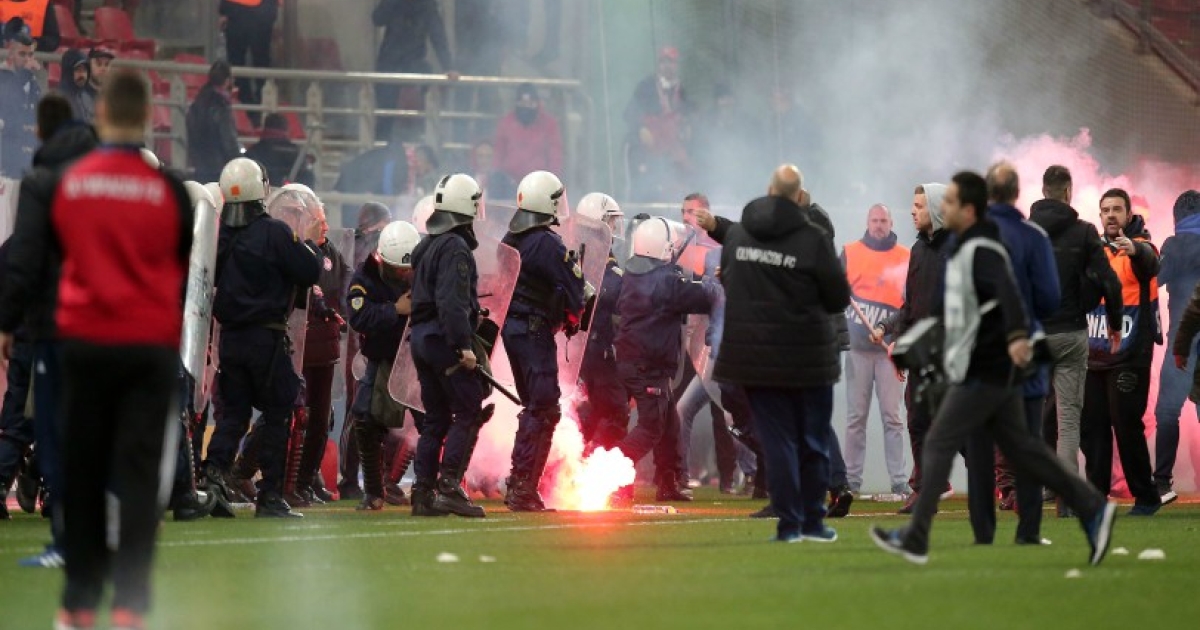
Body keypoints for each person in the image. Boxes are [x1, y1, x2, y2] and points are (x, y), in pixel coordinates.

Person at [870, 170, 1116, 567]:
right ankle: (1092, 508)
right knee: (1025, 449)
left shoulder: (981, 247)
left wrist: (1015, 337)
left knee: (940, 440)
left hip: (987, 367)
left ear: (967, 208)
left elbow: (1008, 295)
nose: (944, 207)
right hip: (985, 366)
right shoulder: (967, 245)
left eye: (951, 201)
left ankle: (916, 535)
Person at [32, 67, 191, 630]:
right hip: (147, 347)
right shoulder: (171, 192)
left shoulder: (70, 183)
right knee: (140, 477)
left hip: (85, 344)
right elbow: (177, 259)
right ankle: (130, 605)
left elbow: (58, 257)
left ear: (99, 113)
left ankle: (79, 602)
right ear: (148, 117)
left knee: (82, 469)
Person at [704, 165, 849, 542]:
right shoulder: (814, 239)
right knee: (813, 438)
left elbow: (728, 277)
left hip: (758, 358)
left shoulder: (741, 235)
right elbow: (838, 297)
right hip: (807, 354)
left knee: (779, 441)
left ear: (770, 191)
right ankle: (814, 521)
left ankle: (788, 523)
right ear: (800, 196)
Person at [0, 92, 97, 567]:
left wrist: (7, 322)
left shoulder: (40, 184)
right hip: (96, 326)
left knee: (33, 424)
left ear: (39, 130)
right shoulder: (99, 184)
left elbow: (22, 260)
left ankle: (62, 533)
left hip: (48, 329)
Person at [201, 157, 321, 519]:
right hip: (266, 339)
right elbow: (309, 270)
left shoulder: (219, 237)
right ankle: (269, 495)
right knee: (277, 414)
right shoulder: (275, 233)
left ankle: (213, 480)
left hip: (230, 340)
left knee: (233, 415)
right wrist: (309, 243)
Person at [964, 162, 1059, 546]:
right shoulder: (1034, 237)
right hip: (1024, 355)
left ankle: (983, 531)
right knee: (1027, 443)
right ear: (1018, 193)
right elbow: (1050, 298)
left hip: (979, 356)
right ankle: (1029, 529)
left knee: (979, 445)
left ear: (987, 194)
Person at [1029, 165, 1123, 517]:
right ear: (1068, 192)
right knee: (1068, 420)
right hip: (1070, 332)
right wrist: (1114, 323)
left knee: (1034, 414)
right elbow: (1109, 281)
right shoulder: (1084, 232)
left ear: (1043, 190)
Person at [608, 215, 720, 506]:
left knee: (669, 425)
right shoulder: (666, 283)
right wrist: (716, 279)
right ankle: (607, 475)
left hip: (636, 361)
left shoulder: (634, 275)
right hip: (648, 365)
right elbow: (703, 296)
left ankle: (668, 482)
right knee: (651, 427)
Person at [501, 171, 586, 512]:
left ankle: (519, 483)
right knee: (544, 407)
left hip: (513, 329)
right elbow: (575, 288)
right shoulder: (547, 242)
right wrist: (575, 311)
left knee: (534, 406)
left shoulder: (511, 237)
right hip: (534, 330)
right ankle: (523, 487)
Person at [408, 173, 487, 518]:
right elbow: (452, 303)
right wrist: (463, 345)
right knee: (468, 409)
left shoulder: (428, 244)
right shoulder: (455, 247)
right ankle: (450, 486)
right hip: (443, 339)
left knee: (436, 418)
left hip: (421, 339)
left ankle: (422, 493)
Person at [871, 183, 953, 514]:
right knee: (918, 421)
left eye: (919, 205)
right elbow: (911, 306)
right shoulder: (917, 250)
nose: (912, 211)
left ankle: (1001, 481)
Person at [1080, 188, 1163, 515]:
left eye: (1117, 209)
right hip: (1095, 353)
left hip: (1131, 353)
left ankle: (1146, 496)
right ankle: (1095, 497)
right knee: (1093, 428)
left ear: (1129, 215)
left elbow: (1151, 264)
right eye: (1106, 210)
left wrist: (1135, 250)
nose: (1111, 215)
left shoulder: (1142, 246)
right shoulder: (1094, 250)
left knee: (1126, 424)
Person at [346, 220, 421, 511]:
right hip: (383, 360)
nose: (404, 273)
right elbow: (359, 317)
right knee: (365, 419)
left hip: (418, 359)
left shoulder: (423, 270)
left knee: (430, 423)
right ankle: (374, 491)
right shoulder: (364, 277)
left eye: (407, 268)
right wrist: (395, 310)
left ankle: (429, 487)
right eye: (398, 268)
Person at [841, 203, 910, 497]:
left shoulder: (905, 257)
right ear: (867, 222)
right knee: (856, 418)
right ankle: (851, 480)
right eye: (874, 220)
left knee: (893, 417)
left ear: (891, 222)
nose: (879, 225)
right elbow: (837, 295)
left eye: (883, 220)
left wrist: (894, 337)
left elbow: (910, 305)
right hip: (857, 350)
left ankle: (899, 480)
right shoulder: (850, 252)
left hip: (888, 352)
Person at [291, 193, 350, 506]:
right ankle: (289, 480)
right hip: (299, 349)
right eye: (318, 220)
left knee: (321, 419)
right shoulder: (298, 251)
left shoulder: (332, 253)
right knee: (296, 415)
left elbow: (347, 284)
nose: (325, 226)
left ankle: (307, 478)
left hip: (325, 349)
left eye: (325, 220)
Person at [338, 201, 392, 499]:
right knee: (359, 410)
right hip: (362, 338)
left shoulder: (352, 248)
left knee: (367, 408)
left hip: (364, 336)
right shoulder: (365, 252)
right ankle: (350, 479)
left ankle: (367, 479)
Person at [1152, 190, 1200, 505]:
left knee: (1168, 411)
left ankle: (1161, 483)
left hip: (1182, 342)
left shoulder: (1174, 245)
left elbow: (1153, 280)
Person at [574, 192, 628, 450]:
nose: (615, 227)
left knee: (586, 413)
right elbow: (613, 293)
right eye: (611, 221)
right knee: (614, 412)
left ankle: (577, 461)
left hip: (579, 348)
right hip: (596, 351)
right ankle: (590, 462)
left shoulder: (575, 251)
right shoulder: (598, 258)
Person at [372, 0, 458, 142]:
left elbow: (437, 34)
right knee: (385, 118)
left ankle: (419, 145)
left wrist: (449, 66)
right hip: (389, 65)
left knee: (419, 117)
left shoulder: (427, 4)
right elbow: (377, 18)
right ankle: (382, 148)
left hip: (413, 65)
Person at [623, 46, 691, 201]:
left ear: (676, 65)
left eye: (671, 62)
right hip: (644, 148)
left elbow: (687, 115)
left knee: (679, 181)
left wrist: (687, 127)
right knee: (642, 188)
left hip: (669, 150)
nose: (667, 66)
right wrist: (640, 129)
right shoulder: (646, 86)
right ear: (659, 65)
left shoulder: (681, 90)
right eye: (663, 62)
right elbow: (629, 113)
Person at [219, 0, 279, 126]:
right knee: (260, 62)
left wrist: (224, 11)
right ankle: (259, 106)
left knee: (238, 64)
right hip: (261, 11)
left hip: (238, 11)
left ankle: (248, 107)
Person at [493, 83, 564, 185]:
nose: (526, 106)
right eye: (522, 103)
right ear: (516, 103)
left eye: (530, 103)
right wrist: (497, 177)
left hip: (539, 182)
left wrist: (551, 180)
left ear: (537, 103)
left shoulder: (549, 124)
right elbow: (498, 153)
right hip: (510, 182)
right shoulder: (506, 123)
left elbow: (555, 155)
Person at [332, 138, 408, 229]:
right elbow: (388, 186)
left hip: (353, 191)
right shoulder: (392, 157)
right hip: (357, 193)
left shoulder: (382, 155)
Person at [186, 61, 239, 183]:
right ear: (227, 81)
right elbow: (229, 141)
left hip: (200, 167)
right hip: (219, 170)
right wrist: (239, 161)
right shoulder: (221, 106)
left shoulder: (197, 103)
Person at [0, 21, 40, 178]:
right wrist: (24, 76)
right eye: (22, 54)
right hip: (5, 162)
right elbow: (9, 108)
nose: (27, 60)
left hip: (27, 161)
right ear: (11, 54)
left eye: (30, 55)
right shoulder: (2, 77)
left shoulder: (33, 82)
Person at [244, 112, 315, 188]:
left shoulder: (254, 152)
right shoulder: (297, 152)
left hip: (263, 190)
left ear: (265, 128)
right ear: (286, 129)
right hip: (293, 192)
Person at [57, 48, 93, 122]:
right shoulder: (58, 100)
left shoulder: (86, 97)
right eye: (78, 70)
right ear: (68, 72)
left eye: (85, 70)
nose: (82, 75)